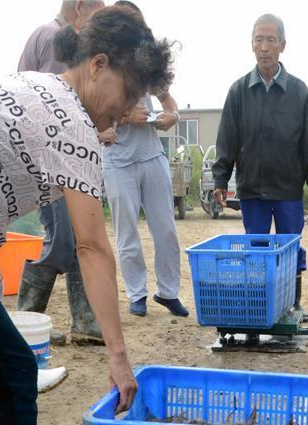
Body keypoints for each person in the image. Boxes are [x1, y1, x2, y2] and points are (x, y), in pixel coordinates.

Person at [0, 6, 172, 425]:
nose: (124, 114)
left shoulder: (41, 87)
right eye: (126, 97)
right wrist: (119, 358)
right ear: (97, 65)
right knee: (12, 369)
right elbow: (93, 247)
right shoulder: (72, 120)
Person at [212, 13, 308, 299]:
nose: (264, 47)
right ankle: (259, 305)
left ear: (282, 45)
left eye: (270, 40)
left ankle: (291, 303)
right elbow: (227, 139)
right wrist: (220, 179)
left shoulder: (299, 92)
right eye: (259, 40)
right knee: (256, 251)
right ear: (251, 45)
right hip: (252, 190)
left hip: (288, 189)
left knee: (290, 247)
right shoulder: (238, 91)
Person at [17, 0, 106, 346]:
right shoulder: (58, 39)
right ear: (81, 7)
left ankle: (83, 322)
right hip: (52, 161)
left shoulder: (42, 35)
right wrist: (95, 132)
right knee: (63, 240)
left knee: (70, 238)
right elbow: (61, 110)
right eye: (99, 9)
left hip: (46, 157)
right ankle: (26, 318)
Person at [99, 2, 188, 318]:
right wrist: (124, 117)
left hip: (151, 155)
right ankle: (136, 294)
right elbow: (91, 115)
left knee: (166, 229)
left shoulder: (147, 59)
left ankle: (168, 292)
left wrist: (172, 115)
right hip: (118, 159)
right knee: (127, 233)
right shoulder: (101, 62)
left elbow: (167, 99)